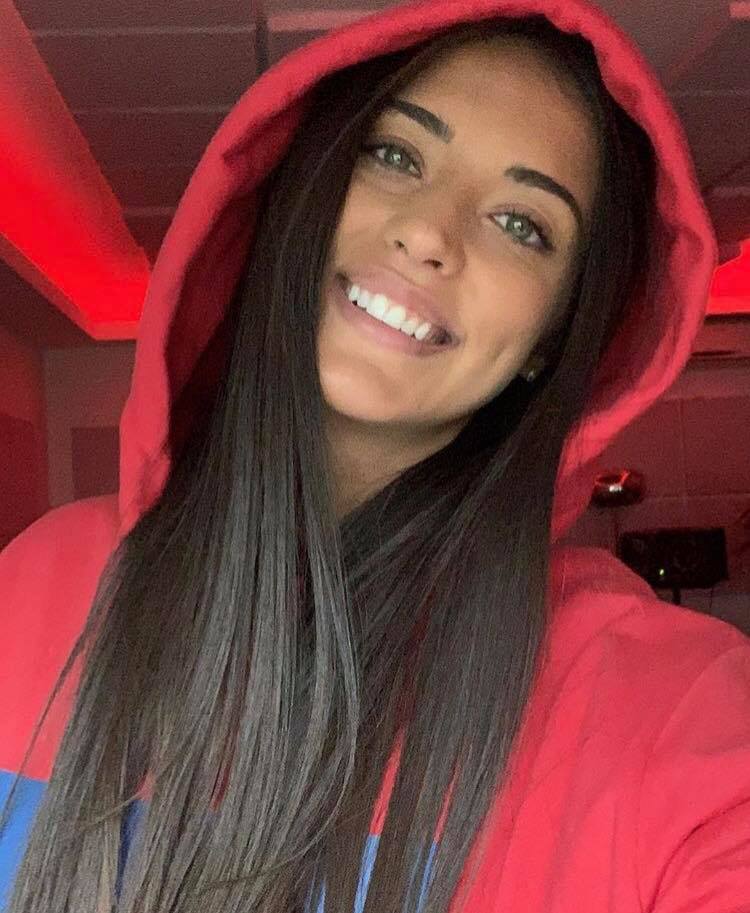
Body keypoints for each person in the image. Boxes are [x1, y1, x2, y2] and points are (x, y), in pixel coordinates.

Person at [1, 0, 749, 911]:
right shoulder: (41, 579)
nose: (429, 232)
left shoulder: (659, 704)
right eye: (395, 155)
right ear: (303, 194)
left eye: (522, 224)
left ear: (552, 339)